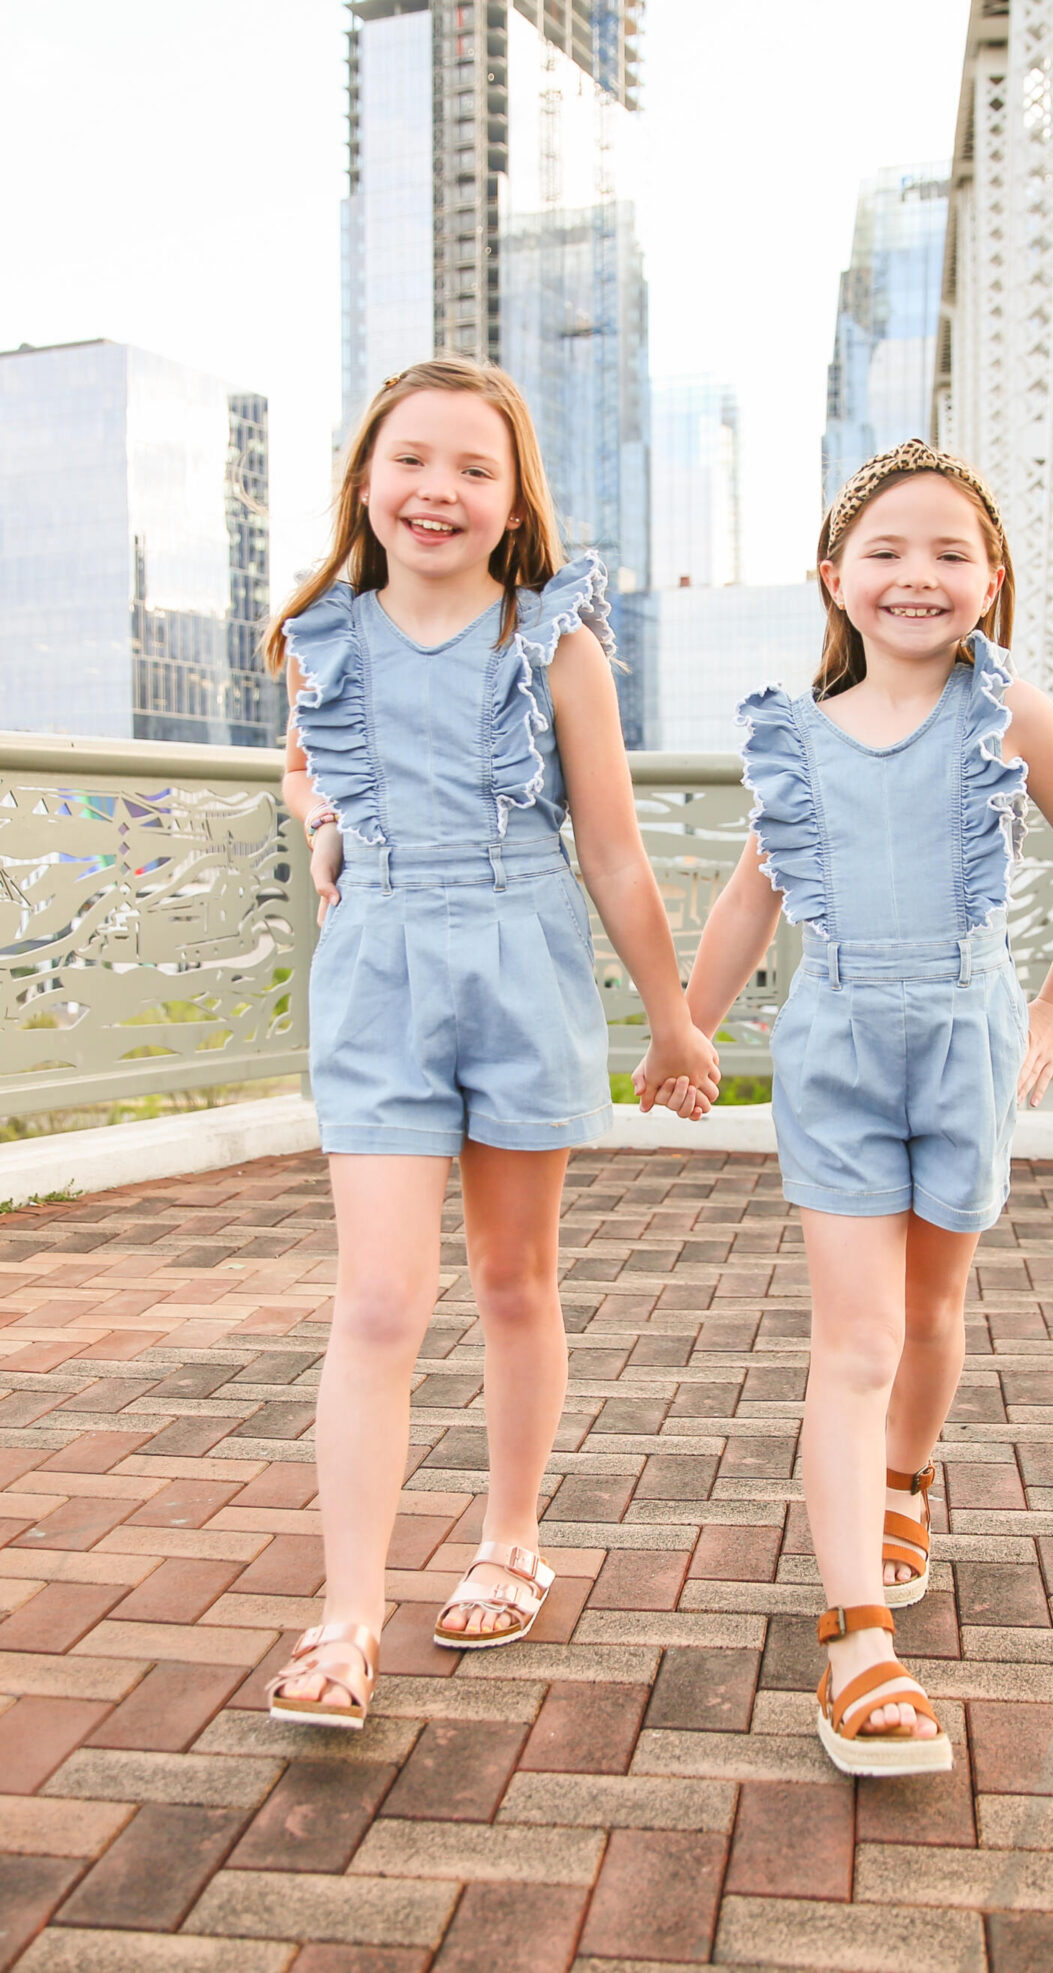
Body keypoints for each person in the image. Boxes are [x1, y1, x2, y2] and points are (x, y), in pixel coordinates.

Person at [637, 438, 1053, 1775]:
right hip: (839, 1052)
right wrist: (689, 1024)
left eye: (951, 552)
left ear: (993, 578)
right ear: (836, 580)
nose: (920, 575)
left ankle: (908, 1478)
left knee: (930, 1312)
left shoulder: (1009, 712)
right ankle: (855, 1636)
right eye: (889, 551)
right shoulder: (793, 733)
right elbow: (752, 895)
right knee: (853, 1339)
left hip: (966, 1041)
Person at [260, 358, 718, 1727]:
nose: (437, 490)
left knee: (515, 1277)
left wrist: (674, 1013)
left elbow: (616, 852)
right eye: (411, 460)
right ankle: (347, 1616)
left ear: (515, 497)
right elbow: (306, 762)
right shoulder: (323, 637)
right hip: (380, 975)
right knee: (381, 1299)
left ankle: (512, 1534)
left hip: (520, 964)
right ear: (364, 480)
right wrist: (327, 826)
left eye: (473, 466)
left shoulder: (554, 642)